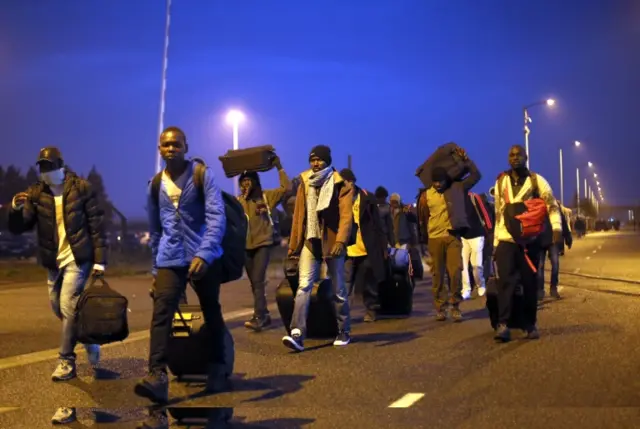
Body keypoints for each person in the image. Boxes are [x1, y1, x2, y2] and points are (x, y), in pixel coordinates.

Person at [8, 147, 107, 425]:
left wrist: (101, 262)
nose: (45, 171)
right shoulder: (37, 193)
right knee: (61, 309)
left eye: (49, 165)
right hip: (53, 262)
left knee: (68, 304)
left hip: (78, 258)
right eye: (41, 166)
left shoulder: (81, 188)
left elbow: (97, 226)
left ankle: (66, 359)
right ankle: (88, 338)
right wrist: (16, 209)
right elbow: (21, 226)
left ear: (61, 165)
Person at [135, 126, 228, 413]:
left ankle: (218, 365)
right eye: (165, 145)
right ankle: (157, 376)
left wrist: (205, 252)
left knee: (210, 309)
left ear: (186, 147)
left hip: (203, 256)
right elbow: (155, 229)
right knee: (161, 314)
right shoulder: (155, 184)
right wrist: (154, 269)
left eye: (176, 144)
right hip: (169, 257)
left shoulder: (202, 175)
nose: (171, 149)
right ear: (159, 149)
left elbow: (216, 217)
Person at [282, 145, 354, 351]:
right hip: (310, 241)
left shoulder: (341, 183)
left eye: (319, 160)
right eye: (312, 160)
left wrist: (340, 241)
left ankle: (344, 330)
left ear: (327, 161)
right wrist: (294, 246)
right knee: (303, 286)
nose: (315, 163)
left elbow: (346, 216)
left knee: (338, 289)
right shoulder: (304, 182)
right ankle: (297, 332)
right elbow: (298, 217)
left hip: (332, 242)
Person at [493, 145, 563, 342]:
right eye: (511, 155)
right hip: (506, 239)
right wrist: (496, 242)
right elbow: (498, 213)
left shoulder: (537, 181)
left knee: (529, 283)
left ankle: (529, 324)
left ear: (526, 157)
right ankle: (503, 324)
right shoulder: (501, 182)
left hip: (529, 241)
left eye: (519, 155)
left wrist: (557, 229)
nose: (515, 158)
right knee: (505, 283)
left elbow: (551, 205)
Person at [417, 150, 481, 322]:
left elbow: (476, 176)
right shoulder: (425, 195)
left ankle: (455, 305)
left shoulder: (457, 188)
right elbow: (422, 219)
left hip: (452, 236)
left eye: (441, 181)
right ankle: (440, 307)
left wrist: (467, 161)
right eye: (435, 182)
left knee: (455, 272)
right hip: (434, 238)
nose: (438, 185)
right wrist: (423, 240)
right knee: (437, 275)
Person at [237, 158, 290, 331]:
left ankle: (259, 316)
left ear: (255, 182)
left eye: (248, 180)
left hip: (263, 244)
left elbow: (285, 188)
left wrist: (279, 168)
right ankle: (264, 314)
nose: (246, 184)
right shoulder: (239, 202)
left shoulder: (267, 197)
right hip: (245, 247)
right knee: (254, 282)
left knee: (258, 280)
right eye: (242, 181)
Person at [340, 168, 388, 322]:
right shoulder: (338, 200)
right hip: (346, 249)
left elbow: (378, 224)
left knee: (370, 282)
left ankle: (371, 309)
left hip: (366, 248)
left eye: (345, 183)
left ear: (352, 182)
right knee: (345, 284)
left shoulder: (368, 198)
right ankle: (343, 314)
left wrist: (383, 246)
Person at [538, 199, 572, 301]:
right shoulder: (537, 203)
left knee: (555, 264)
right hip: (540, 240)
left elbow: (563, 222)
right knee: (540, 266)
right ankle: (540, 290)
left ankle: (553, 288)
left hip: (553, 240)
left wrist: (568, 237)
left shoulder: (555, 205)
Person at [461, 191, 493, 299]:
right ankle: (466, 289)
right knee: (463, 266)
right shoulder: (455, 198)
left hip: (477, 235)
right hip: (462, 237)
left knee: (476, 265)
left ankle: (480, 284)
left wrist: (489, 230)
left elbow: (484, 213)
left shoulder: (474, 197)